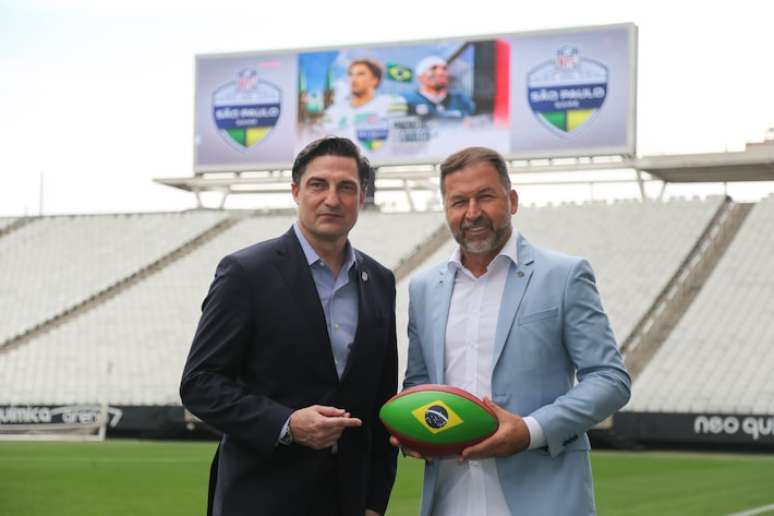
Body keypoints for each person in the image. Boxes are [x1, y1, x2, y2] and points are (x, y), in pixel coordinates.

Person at [396, 147, 631, 515]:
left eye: (485, 196)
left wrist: (530, 430)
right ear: (445, 210)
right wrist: (414, 434)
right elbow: (419, 385)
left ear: (513, 200)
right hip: (449, 498)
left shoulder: (564, 275)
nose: (472, 212)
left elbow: (610, 378)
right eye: (459, 201)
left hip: (542, 499)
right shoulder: (424, 288)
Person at [180, 137, 399, 516]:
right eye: (319, 184)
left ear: (361, 196)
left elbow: (381, 403)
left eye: (346, 187)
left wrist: (375, 501)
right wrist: (286, 423)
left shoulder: (379, 280)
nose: (332, 198)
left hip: (347, 501)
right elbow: (200, 384)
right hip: (259, 498)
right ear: (296, 191)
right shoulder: (246, 272)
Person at [323, 58, 407, 141]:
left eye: (361, 74)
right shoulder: (334, 112)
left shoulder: (389, 103)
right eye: (351, 74)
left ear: (375, 80)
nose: (354, 79)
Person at [402, 56, 475, 121]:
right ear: (420, 77)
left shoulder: (461, 100)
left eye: (444, 69)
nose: (441, 72)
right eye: (433, 68)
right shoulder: (407, 100)